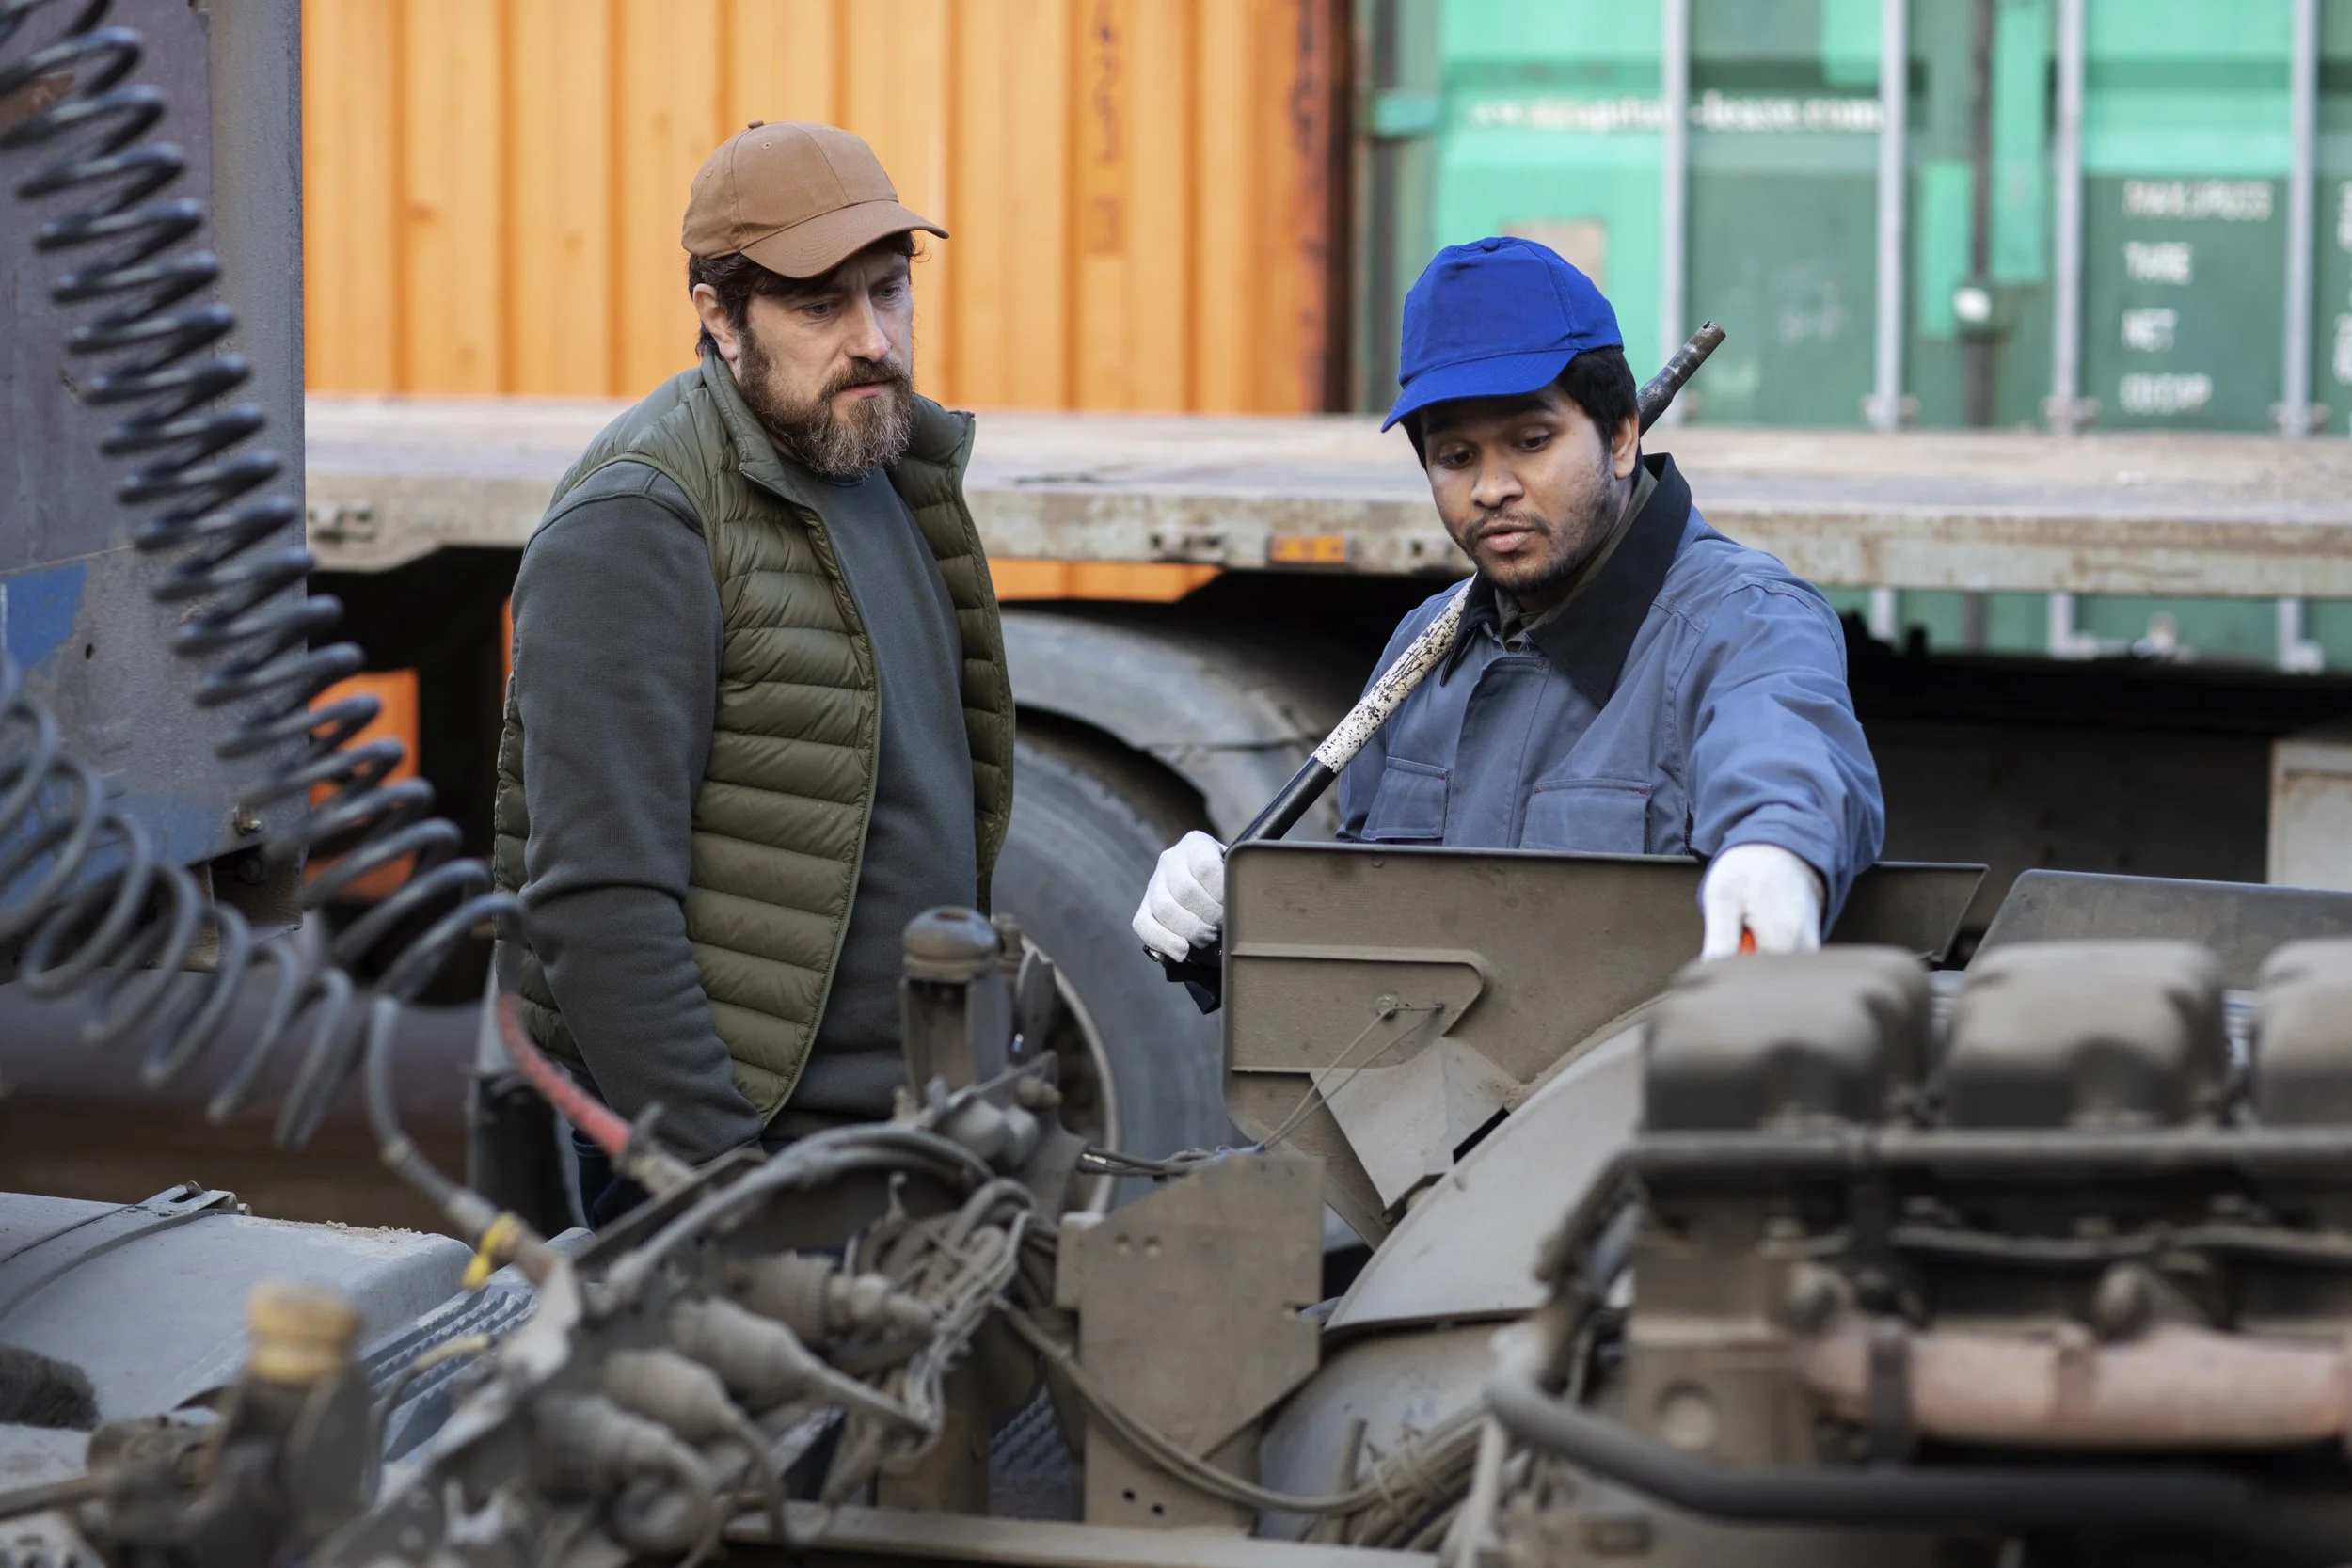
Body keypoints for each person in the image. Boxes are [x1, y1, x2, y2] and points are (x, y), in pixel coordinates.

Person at [491, 122, 1014, 1225]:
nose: (873, 339)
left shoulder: (888, 467)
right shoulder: (640, 521)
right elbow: (595, 905)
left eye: (889, 290)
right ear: (720, 316)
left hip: (907, 1136)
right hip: (757, 1169)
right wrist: (729, 1186)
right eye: (820, 306)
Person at [1132, 236, 1883, 967]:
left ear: (1622, 436)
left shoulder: (1744, 620)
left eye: (1531, 441)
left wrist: (1775, 849)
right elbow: (1369, 947)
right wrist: (1236, 917)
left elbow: (1785, 749)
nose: (1491, 489)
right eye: (1456, 457)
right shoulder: (1420, 650)